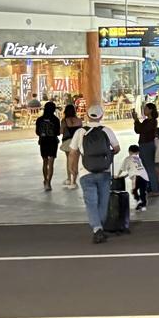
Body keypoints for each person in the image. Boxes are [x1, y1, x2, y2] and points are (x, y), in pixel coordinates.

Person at [67, 104, 120, 244]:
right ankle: (100, 226)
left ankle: (97, 229)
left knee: (91, 202)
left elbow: (72, 152)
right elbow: (117, 148)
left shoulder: (80, 132)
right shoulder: (106, 130)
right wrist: (106, 155)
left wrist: (72, 169)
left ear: (87, 115)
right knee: (103, 201)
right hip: (104, 171)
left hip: (85, 172)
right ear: (101, 116)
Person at [131, 102, 159, 189]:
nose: (144, 110)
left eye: (146, 108)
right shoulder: (146, 121)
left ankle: (155, 188)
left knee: (150, 167)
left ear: (151, 110)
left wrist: (136, 120)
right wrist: (135, 120)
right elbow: (137, 130)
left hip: (148, 145)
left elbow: (141, 129)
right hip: (143, 145)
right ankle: (150, 187)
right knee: (146, 167)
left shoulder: (152, 121)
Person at [34, 101, 60, 192]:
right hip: (53, 142)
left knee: (45, 162)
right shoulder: (55, 119)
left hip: (43, 141)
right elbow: (58, 132)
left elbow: (37, 132)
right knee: (51, 163)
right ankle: (49, 183)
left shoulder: (40, 119)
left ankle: (45, 179)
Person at [118, 144, 150, 213]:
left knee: (134, 190)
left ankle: (138, 201)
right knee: (142, 192)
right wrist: (126, 175)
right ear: (138, 152)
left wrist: (118, 175)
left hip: (136, 177)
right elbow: (134, 169)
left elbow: (122, 169)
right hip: (145, 177)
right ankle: (143, 206)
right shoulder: (138, 159)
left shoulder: (128, 158)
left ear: (129, 151)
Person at [60, 102, 84, 188]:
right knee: (76, 162)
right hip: (77, 142)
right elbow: (81, 131)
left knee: (69, 161)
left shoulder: (64, 121)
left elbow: (61, 131)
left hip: (67, 142)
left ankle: (69, 179)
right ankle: (74, 182)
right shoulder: (79, 120)